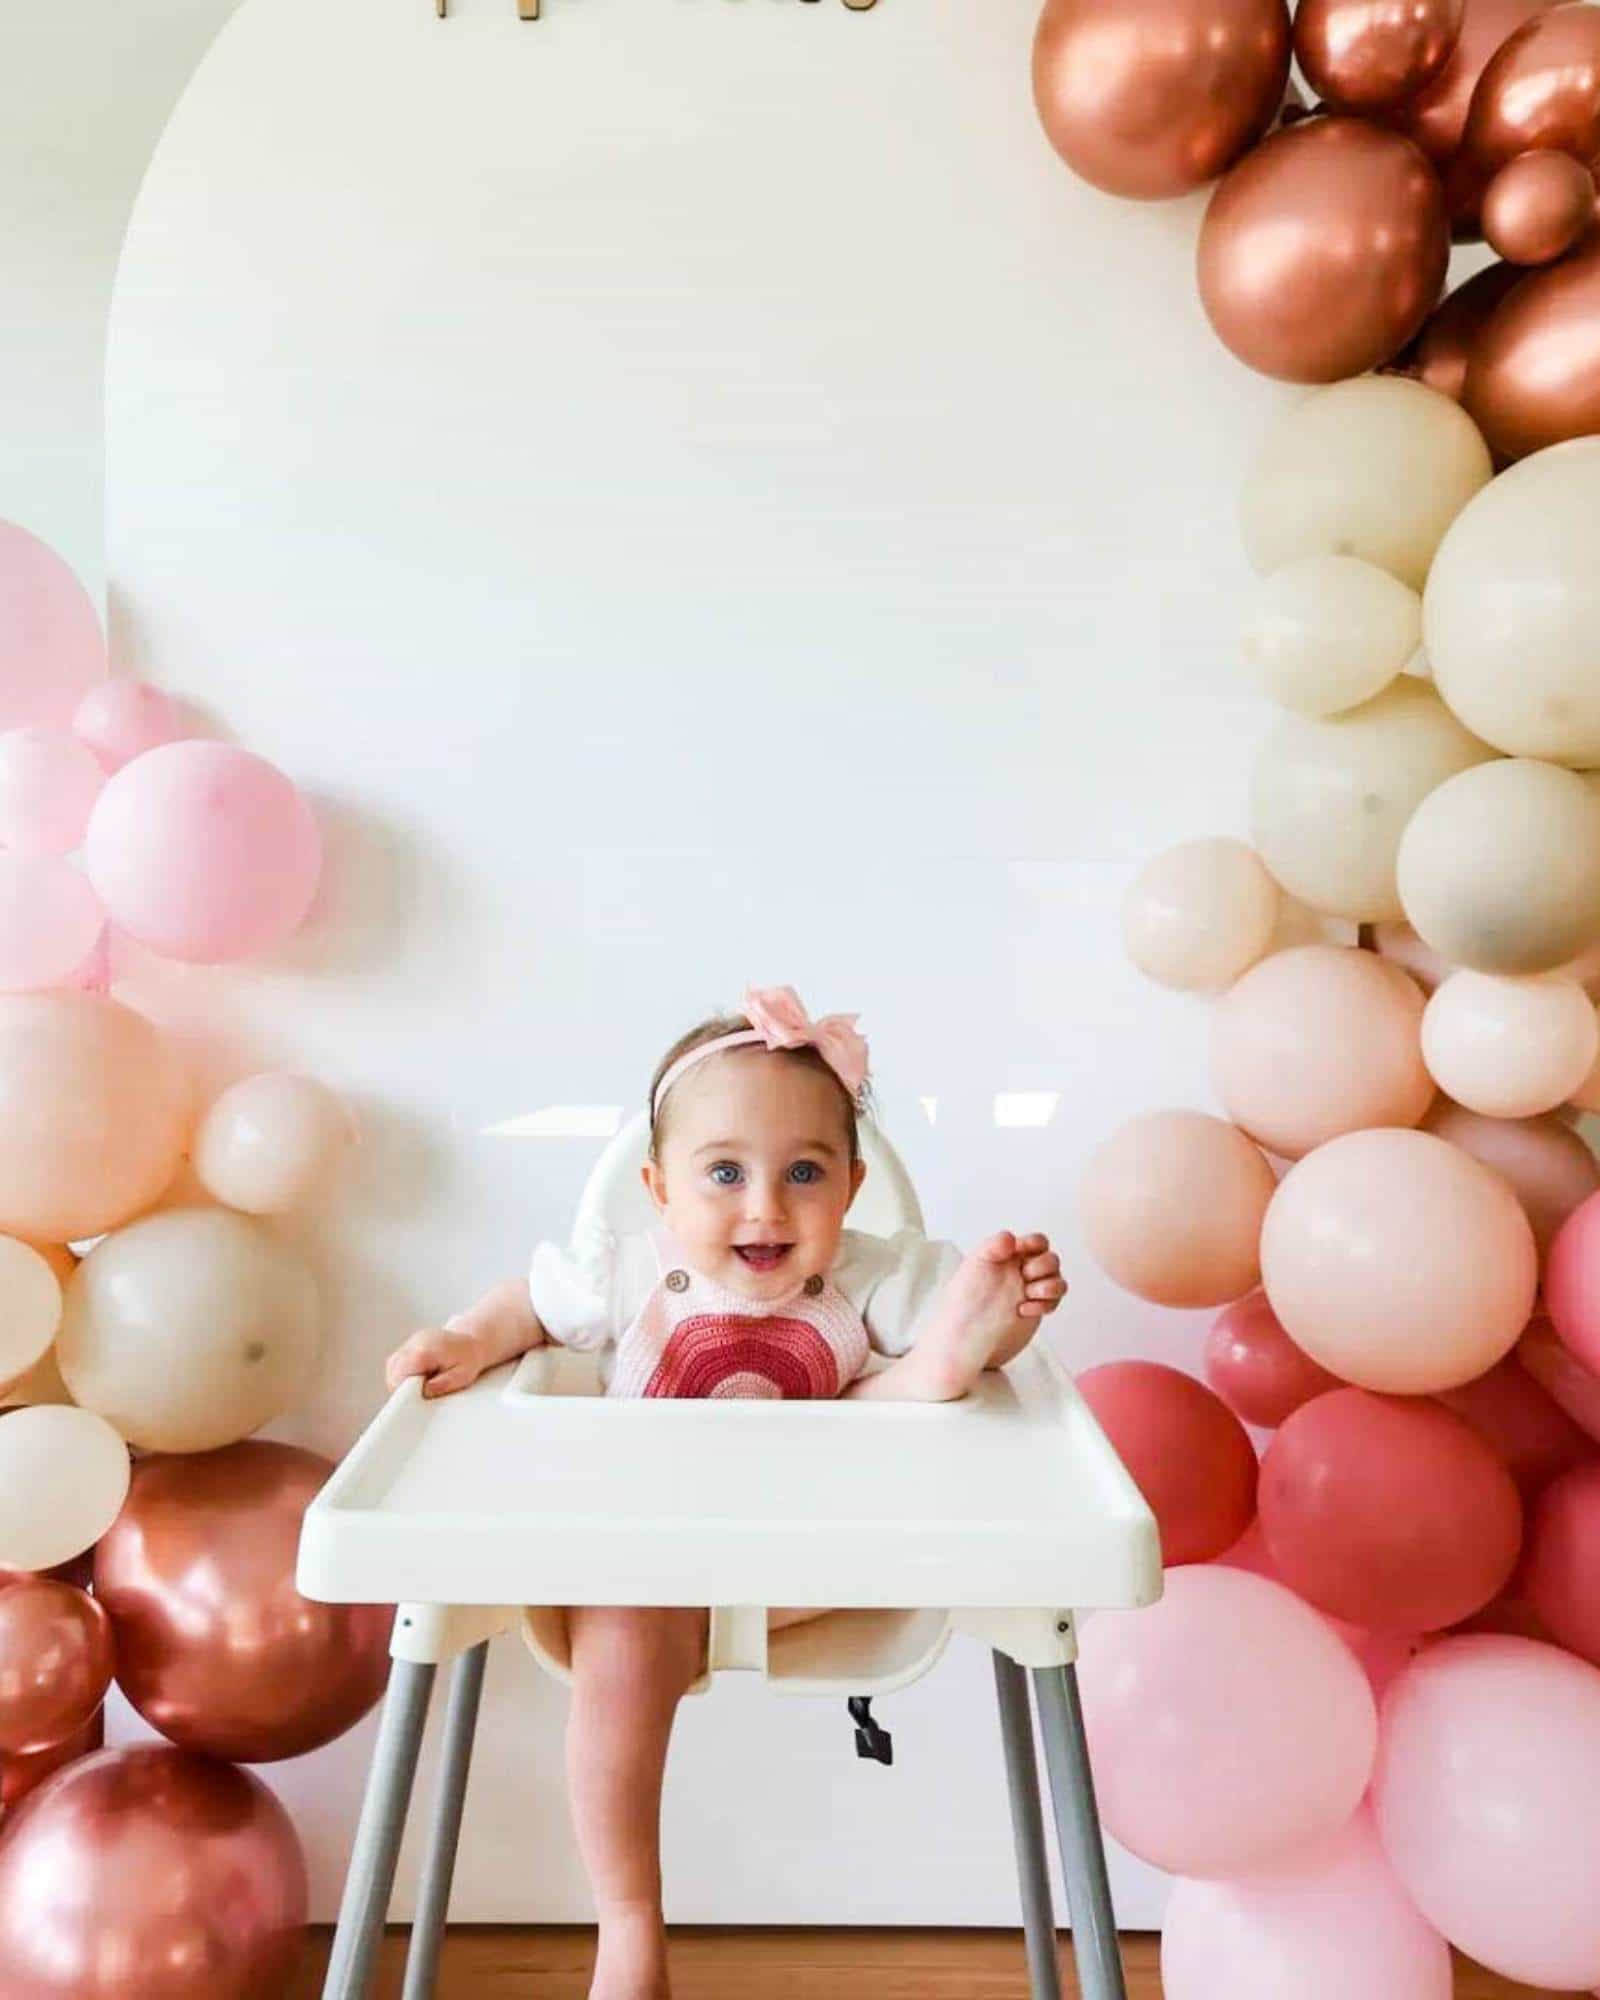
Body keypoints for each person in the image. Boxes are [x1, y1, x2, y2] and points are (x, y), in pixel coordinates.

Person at [385, 984, 1068, 2000]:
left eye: (804, 1171)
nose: (765, 1205)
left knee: (914, 1384)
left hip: (822, 1559)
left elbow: (970, 1377)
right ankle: (628, 1919)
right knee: (618, 1632)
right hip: (649, 1575)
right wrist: (466, 1339)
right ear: (659, 1189)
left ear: (851, 1185)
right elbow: (527, 1304)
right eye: (724, 1172)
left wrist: (998, 1327)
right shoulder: (621, 1273)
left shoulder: (874, 1275)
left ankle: (939, 1364)